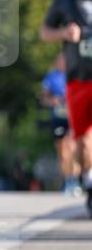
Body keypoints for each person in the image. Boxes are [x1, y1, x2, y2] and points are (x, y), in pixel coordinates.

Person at [40, 0, 92, 217]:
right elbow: (44, 32)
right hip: (78, 78)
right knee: (82, 140)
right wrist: (63, 33)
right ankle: (89, 180)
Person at [40, 53, 80, 195]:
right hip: (58, 118)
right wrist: (53, 101)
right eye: (59, 60)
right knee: (63, 151)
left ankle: (74, 181)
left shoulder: (76, 74)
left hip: (73, 118)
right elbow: (43, 98)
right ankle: (67, 180)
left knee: (72, 147)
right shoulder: (51, 77)